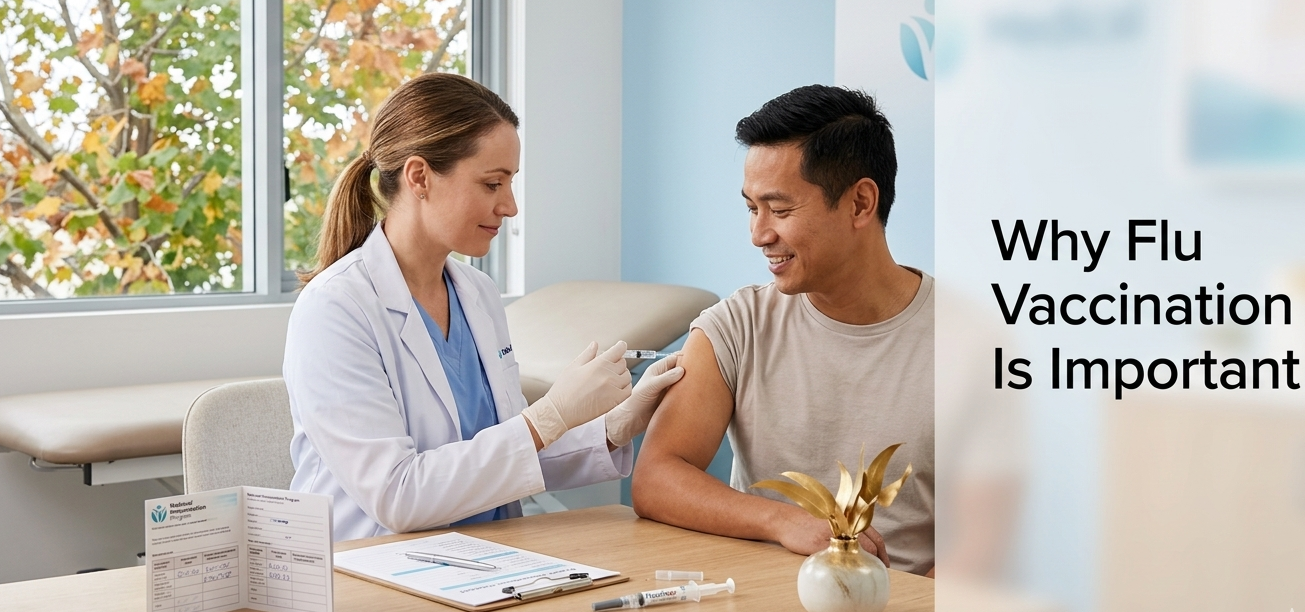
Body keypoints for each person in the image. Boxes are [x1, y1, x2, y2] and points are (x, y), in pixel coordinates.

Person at [283, 73, 683, 541]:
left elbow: (498, 463)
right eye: (492, 184)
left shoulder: (477, 294)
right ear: (419, 177)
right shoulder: (335, 309)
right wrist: (550, 413)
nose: (510, 206)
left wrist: (616, 423)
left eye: (510, 183)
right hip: (370, 567)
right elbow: (398, 495)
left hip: (490, 560)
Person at [631, 85, 935, 576]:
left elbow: (991, 543)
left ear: (860, 203)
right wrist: (784, 521)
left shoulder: (972, 345)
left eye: (781, 209)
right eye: (752, 207)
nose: (759, 234)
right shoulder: (735, 326)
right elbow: (657, 477)